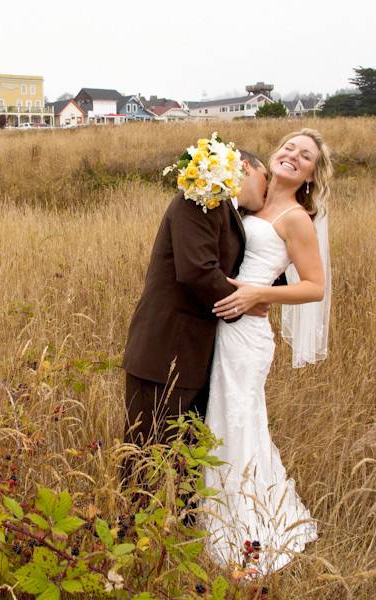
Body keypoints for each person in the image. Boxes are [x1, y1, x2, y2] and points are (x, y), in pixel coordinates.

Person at [202, 128, 333, 574]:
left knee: (236, 424)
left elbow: (315, 287)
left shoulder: (295, 217)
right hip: (222, 324)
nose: (293, 156)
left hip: (247, 334)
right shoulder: (252, 199)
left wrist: (260, 293)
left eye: (306, 156)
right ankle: (207, 516)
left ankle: (243, 530)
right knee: (217, 419)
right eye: (289, 147)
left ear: (312, 174)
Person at [121, 151, 270, 455]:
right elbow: (197, 270)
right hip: (165, 352)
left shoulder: (227, 209)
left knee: (185, 464)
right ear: (247, 168)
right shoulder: (201, 195)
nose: (269, 191)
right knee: (146, 458)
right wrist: (243, 304)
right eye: (267, 178)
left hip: (196, 357)